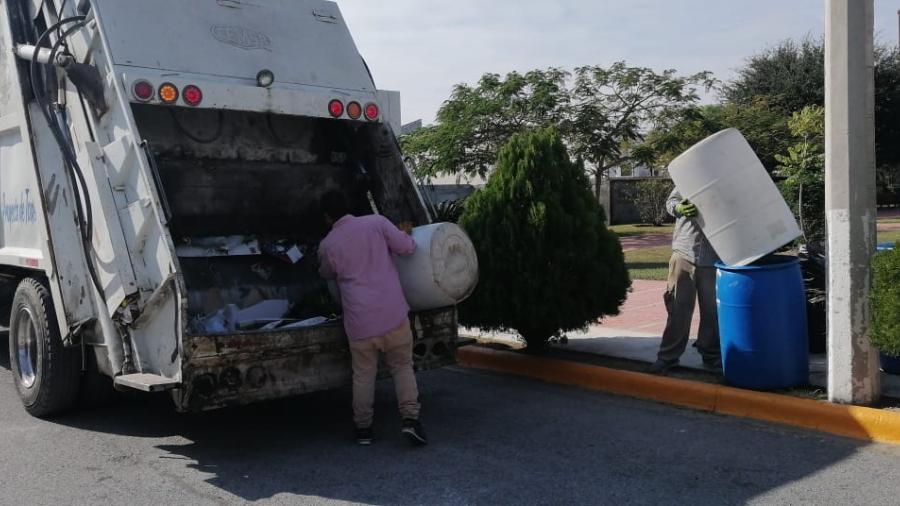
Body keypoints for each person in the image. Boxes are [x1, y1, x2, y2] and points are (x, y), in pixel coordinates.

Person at [317, 190, 427, 446]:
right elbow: (407, 248)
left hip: (360, 323)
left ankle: (363, 429)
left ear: (326, 217)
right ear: (348, 206)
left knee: (363, 375)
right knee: (402, 367)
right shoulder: (376, 223)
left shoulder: (328, 244)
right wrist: (405, 235)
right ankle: (410, 420)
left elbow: (325, 273)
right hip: (393, 314)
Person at [648, 188, 722, 375]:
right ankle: (667, 358)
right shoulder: (691, 174)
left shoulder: (729, 179)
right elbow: (671, 202)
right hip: (684, 253)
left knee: (713, 312)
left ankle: (711, 355)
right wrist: (679, 207)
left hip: (715, 259)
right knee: (678, 308)